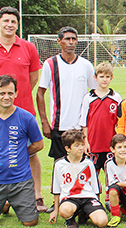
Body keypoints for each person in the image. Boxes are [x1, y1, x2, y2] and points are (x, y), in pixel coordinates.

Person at [0, 7, 47, 212]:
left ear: (17, 24)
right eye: (5, 21)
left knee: (31, 153)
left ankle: (36, 196)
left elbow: (33, 77)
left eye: (13, 22)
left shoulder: (28, 48)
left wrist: (17, 96)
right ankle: (2, 197)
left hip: (23, 109)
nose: (9, 25)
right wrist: (0, 97)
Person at [0, 75, 44, 227]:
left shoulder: (26, 117)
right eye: (2, 93)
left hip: (21, 180)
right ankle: (2, 204)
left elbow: (38, 144)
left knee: (30, 222)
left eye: (10, 93)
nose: (6, 97)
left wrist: (21, 154)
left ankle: (9, 201)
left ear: (16, 93)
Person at [37, 26, 97, 162]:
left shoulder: (86, 65)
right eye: (67, 39)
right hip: (59, 125)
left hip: (80, 126)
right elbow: (40, 93)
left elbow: (94, 94)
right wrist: (44, 121)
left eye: (74, 39)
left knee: (81, 165)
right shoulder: (50, 64)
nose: (71, 42)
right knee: (60, 166)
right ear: (59, 41)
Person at [48, 129, 107, 228]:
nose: (81, 148)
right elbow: (56, 189)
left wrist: (97, 204)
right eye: (77, 145)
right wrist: (55, 211)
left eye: (82, 144)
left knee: (102, 222)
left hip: (88, 197)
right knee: (65, 210)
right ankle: (70, 219)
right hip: (70, 199)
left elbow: (95, 187)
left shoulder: (88, 163)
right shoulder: (59, 164)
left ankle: (84, 213)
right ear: (67, 148)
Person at [79, 62, 122, 176]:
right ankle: (94, 195)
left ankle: (110, 195)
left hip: (110, 145)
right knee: (93, 176)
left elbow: (120, 123)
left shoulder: (116, 97)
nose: (104, 80)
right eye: (101, 76)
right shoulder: (88, 98)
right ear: (95, 78)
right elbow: (84, 122)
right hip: (94, 144)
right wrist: (86, 141)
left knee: (112, 176)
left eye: (107, 77)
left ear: (111, 78)